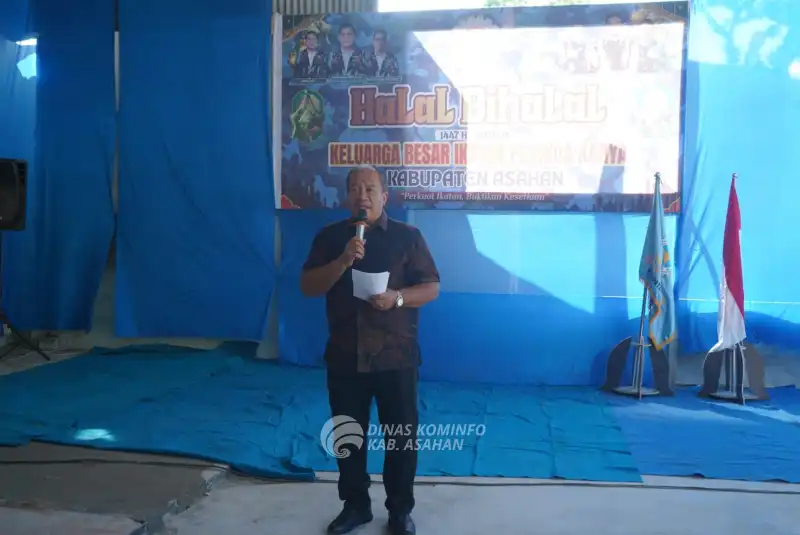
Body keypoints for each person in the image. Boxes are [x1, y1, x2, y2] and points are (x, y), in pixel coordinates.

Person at [300, 166, 440, 535]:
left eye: (370, 189)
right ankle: (355, 506)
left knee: (401, 438)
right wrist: (342, 261)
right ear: (346, 197)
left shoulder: (408, 237)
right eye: (355, 189)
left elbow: (431, 287)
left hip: (396, 355)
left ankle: (399, 510)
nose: (362, 195)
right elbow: (308, 286)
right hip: (346, 355)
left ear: (384, 196)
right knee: (348, 437)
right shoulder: (331, 238)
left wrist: (397, 298)